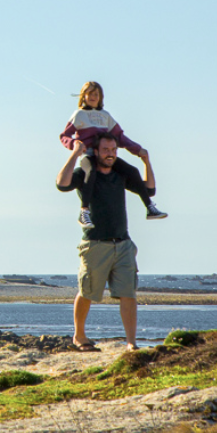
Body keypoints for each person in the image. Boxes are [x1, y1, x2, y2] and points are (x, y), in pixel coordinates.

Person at [56, 131, 156, 351]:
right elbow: (61, 184)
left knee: (128, 294)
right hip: (95, 243)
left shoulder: (120, 174)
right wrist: (75, 154)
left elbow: (149, 189)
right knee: (87, 292)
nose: (110, 154)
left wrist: (147, 161)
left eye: (113, 150)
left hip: (123, 243)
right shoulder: (85, 173)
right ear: (96, 151)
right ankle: (79, 336)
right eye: (105, 150)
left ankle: (131, 343)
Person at [59, 81, 166, 228]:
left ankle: (150, 208)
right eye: (89, 94)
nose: (92, 97)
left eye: (96, 94)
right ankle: (84, 211)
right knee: (90, 173)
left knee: (132, 171)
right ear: (83, 96)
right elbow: (65, 135)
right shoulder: (79, 115)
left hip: (105, 156)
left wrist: (137, 149)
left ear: (100, 97)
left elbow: (119, 137)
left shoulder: (105, 116)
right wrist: (74, 145)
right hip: (89, 155)